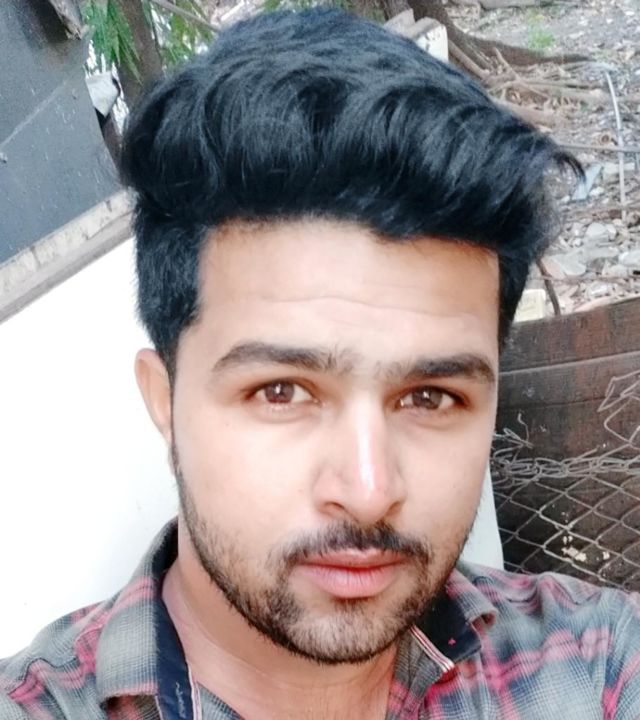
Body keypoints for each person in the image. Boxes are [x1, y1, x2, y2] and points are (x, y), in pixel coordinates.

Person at [1, 8, 638, 719]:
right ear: (165, 400)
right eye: (282, 390)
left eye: (430, 397)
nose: (368, 492)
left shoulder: (598, 666)